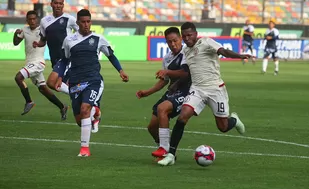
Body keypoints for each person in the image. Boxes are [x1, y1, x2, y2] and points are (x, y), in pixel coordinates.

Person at [157, 22, 250, 166]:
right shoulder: (186, 51)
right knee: (182, 117)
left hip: (215, 89)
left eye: (190, 35)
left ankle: (234, 121)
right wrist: (175, 84)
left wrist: (239, 55)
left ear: (196, 34)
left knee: (223, 127)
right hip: (197, 90)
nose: (187, 39)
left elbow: (223, 51)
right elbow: (189, 71)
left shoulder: (206, 42)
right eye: (185, 36)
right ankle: (171, 155)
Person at [54, 9, 129, 157]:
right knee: (80, 120)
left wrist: (120, 71)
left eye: (88, 21)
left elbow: (111, 56)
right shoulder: (69, 40)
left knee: (85, 109)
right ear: (77, 23)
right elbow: (64, 60)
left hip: (93, 80)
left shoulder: (98, 38)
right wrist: (60, 76)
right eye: (83, 22)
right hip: (75, 82)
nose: (86, 24)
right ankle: (96, 114)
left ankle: (84, 149)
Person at [136, 27, 191, 160]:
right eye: (169, 42)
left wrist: (167, 72)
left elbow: (185, 73)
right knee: (151, 127)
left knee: (162, 109)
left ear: (181, 39)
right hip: (172, 92)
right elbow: (164, 81)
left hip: (187, 91)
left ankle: (165, 149)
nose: (173, 44)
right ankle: (164, 147)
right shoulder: (167, 58)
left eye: (175, 41)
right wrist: (147, 92)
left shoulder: (187, 53)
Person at [13, 10, 68, 119]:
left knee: (18, 78)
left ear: (37, 19)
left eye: (34, 19)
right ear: (27, 20)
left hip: (38, 63)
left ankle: (29, 101)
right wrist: (15, 34)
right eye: (30, 19)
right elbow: (15, 43)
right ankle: (62, 107)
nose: (32, 21)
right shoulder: (24, 29)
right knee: (43, 89)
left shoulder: (43, 30)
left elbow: (52, 39)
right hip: (30, 63)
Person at [33, 0, 78, 94]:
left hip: (67, 58)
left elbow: (81, 34)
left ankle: (79, 96)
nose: (58, 5)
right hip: (55, 59)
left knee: (51, 82)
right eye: (56, 3)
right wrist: (38, 44)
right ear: (51, 4)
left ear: (63, 5)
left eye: (60, 3)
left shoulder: (69, 19)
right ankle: (85, 101)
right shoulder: (44, 21)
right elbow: (43, 40)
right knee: (65, 85)